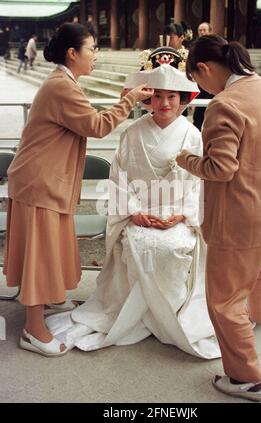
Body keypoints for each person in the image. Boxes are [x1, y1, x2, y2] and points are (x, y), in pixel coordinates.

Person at [46, 49, 221, 360]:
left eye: (171, 97)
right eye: (157, 97)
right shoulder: (132, 134)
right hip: (139, 214)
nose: (164, 104)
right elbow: (120, 180)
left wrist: (183, 214)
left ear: (183, 100)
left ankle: (166, 317)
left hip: (179, 215)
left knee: (173, 247)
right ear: (147, 99)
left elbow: (200, 184)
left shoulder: (192, 134)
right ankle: (139, 316)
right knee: (140, 244)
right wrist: (134, 213)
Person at [4, 23, 153, 357]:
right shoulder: (62, 87)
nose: (96, 56)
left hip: (42, 180)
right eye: (92, 49)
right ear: (73, 54)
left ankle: (53, 300)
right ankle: (33, 327)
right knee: (40, 255)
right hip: (39, 182)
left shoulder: (63, 83)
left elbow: (87, 119)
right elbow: (97, 126)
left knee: (50, 247)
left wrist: (123, 102)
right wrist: (128, 101)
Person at [176, 34, 261, 401]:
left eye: (197, 81)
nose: (201, 88)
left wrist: (186, 160)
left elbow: (220, 167)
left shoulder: (225, 105)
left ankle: (247, 378)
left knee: (224, 301)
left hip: (237, 219)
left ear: (204, 68)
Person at [193, 22, 214, 131]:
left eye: (204, 30)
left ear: (210, 32)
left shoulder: (215, 45)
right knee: (199, 113)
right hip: (200, 82)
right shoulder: (195, 46)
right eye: (200, 30)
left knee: (212, 110)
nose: (201, 32)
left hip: (213, 82)